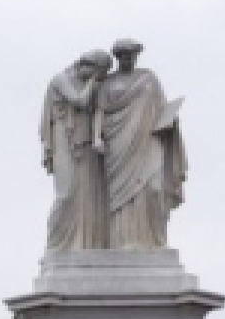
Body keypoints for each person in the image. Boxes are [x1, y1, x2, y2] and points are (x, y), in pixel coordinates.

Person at [96, 38, 187, 249]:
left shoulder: (149, 78)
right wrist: (97, 138)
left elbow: (162, 106)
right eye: (124, 56)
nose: (129, 59)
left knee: (154, 189)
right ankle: (123, 242)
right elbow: (100, 111)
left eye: (132, 55)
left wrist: (170, 121)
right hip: (118, 141)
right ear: (118, 58)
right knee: (122, 196)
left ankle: (155, 242)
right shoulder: (108, 82)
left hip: (149, 139)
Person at [40, 51, 113, 252]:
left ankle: (87, 244)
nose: (100, 77)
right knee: (66, 194)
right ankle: (55, 245)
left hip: (86, 143)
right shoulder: (61, 79)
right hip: (65, 140)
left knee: (89, 194)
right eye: (99, 72)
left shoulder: (93, 83)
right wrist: (93, 81)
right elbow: (79, 101)